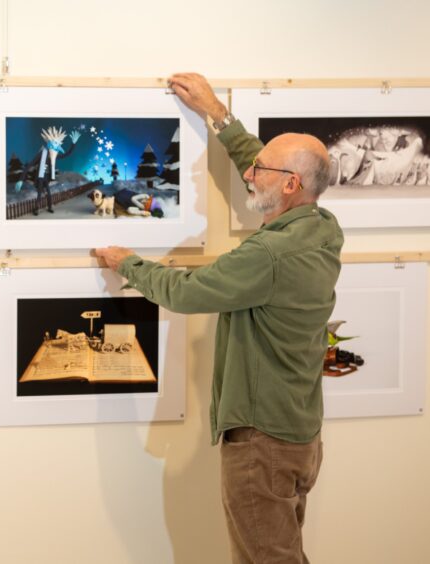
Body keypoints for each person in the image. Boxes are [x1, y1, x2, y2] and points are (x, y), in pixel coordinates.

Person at [95, 73, 343, 564]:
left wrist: (127, 263)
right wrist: (218, 114)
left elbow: (185, 292)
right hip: (298, 435)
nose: (251, 174)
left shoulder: (270, 254)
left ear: (291, 184)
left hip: (262, 445)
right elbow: (262, 159)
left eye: (262, 171)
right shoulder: (322, 227)